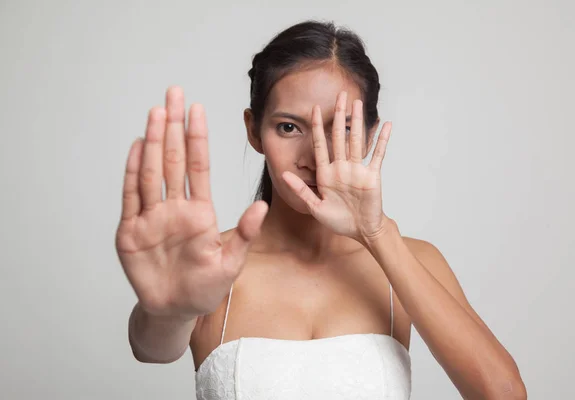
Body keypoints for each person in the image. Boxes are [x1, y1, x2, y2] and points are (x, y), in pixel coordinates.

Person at [116, 20, 527, 400]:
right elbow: (152, 348)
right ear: (253, 131)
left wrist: (377, 235)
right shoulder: (213, 264)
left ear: (368, 134)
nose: (314, 155)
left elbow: (504, 393)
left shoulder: (411, 260)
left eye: (341, 127)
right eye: (289, 127)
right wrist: (170, 308)